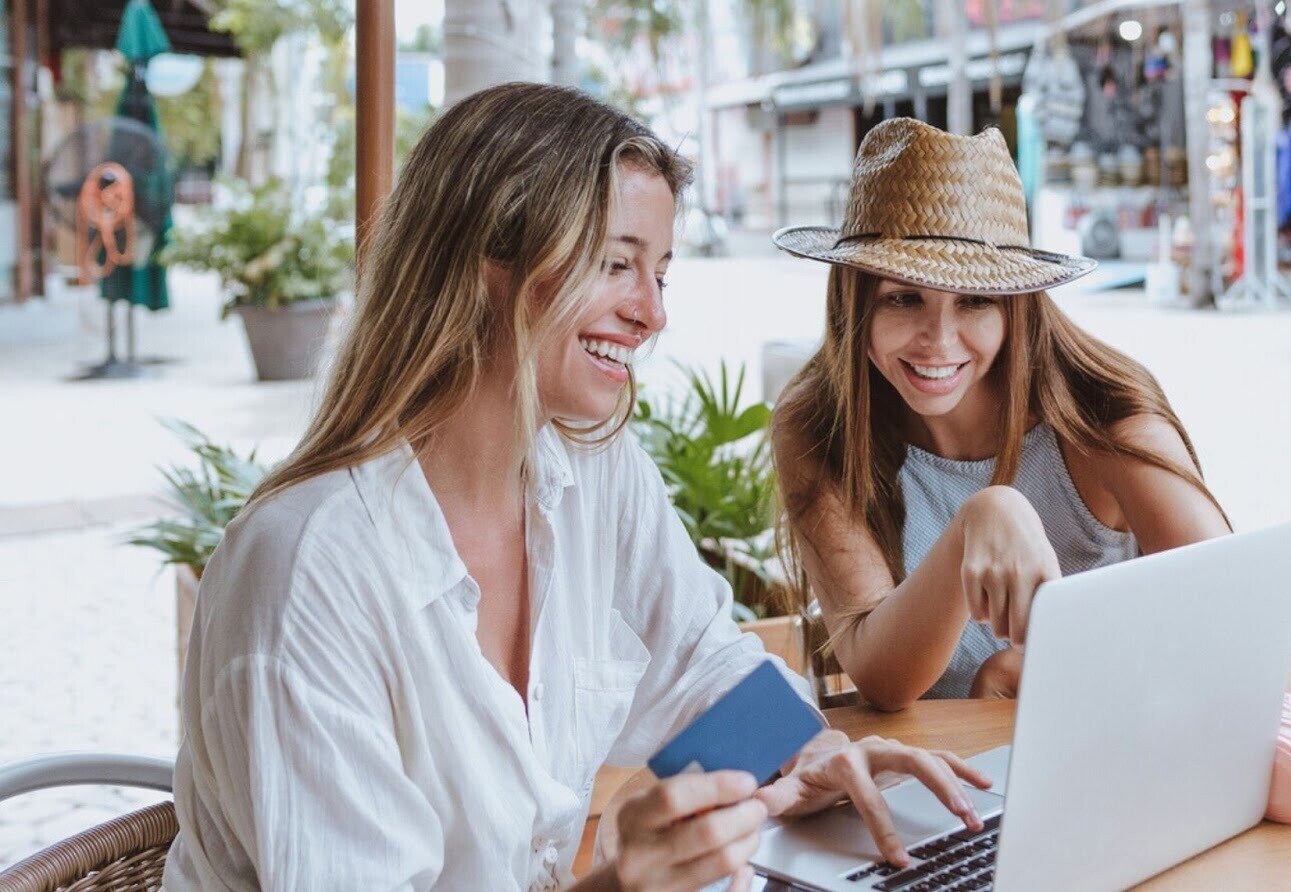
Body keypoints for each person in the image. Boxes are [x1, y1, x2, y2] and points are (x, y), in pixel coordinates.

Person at [163, 85, 988, 892]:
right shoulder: (309, 570)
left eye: (660, 273)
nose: (651, 314)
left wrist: (805, 756)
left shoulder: (591, 467)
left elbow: (705, 664)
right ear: (484, 262)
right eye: (616, 263)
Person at [771, 118, 1230, 710]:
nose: (939, 340)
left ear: (1018, 310)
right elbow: (880, 677)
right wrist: (981, 518)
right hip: (936, 786)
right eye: (903, 298)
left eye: (975, 301)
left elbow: (1243, 634)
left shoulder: (1105, 418)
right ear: (852, 304)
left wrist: (1063, 670)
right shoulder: (818, 427)